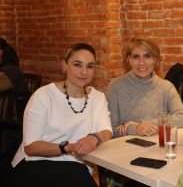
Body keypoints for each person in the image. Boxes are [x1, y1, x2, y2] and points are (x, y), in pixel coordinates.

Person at [10, 43, 112, 187]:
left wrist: (94, 137)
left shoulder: (98, 97)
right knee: (76, 174)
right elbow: (31, 147)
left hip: (77, 167)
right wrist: (67, 148)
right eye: (77, 64)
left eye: (90, 66)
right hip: (34, 163)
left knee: (77, 172)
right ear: (64, 65)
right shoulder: (44, 96)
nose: (84, 72)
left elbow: (106, 130)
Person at [107, 38, 183, 137]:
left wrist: (143, 124)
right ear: (128, 59)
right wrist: (135, 128)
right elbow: (110, 131)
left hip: (159, 148)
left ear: (155, 59)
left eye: (147, 56)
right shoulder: (115, 87)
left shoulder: (166, 87)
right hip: (128, 149)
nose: (142, 63)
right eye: (136, 57)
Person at [0, 38, 29, 105]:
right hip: (11, 102)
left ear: (0, 52)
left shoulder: (8, 68)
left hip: (18, 105)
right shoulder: (7, 64)